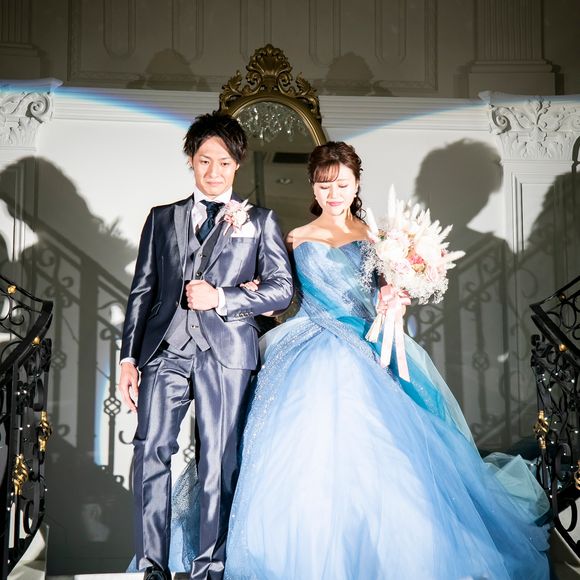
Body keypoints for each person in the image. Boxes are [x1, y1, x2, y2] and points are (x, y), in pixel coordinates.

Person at [222, 141, 552, 579]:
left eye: (342, 184)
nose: (333, 194)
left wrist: (393, 296)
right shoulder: (295, 237)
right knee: (304, 457)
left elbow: (386, 290)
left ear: (357, 184)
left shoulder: (377, 238)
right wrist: (253, 290)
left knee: (390, 455)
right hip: (310, 345)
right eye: (324, 185)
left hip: (368, 343)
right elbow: (283, 297)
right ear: (313, 187)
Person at [117, 112, 293, 580]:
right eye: (204, 161)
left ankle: (209, 568)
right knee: (150, 451)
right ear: (191, 161)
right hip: (166, 351)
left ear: (237, 165)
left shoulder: (260, 221)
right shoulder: (162, 218)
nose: (213, 172)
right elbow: (142, 291)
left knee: (218, 459)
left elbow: (282, 290)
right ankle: (152, 567)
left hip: (228, 354)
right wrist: (129, 358)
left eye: (224, 162)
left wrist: (224, 298)